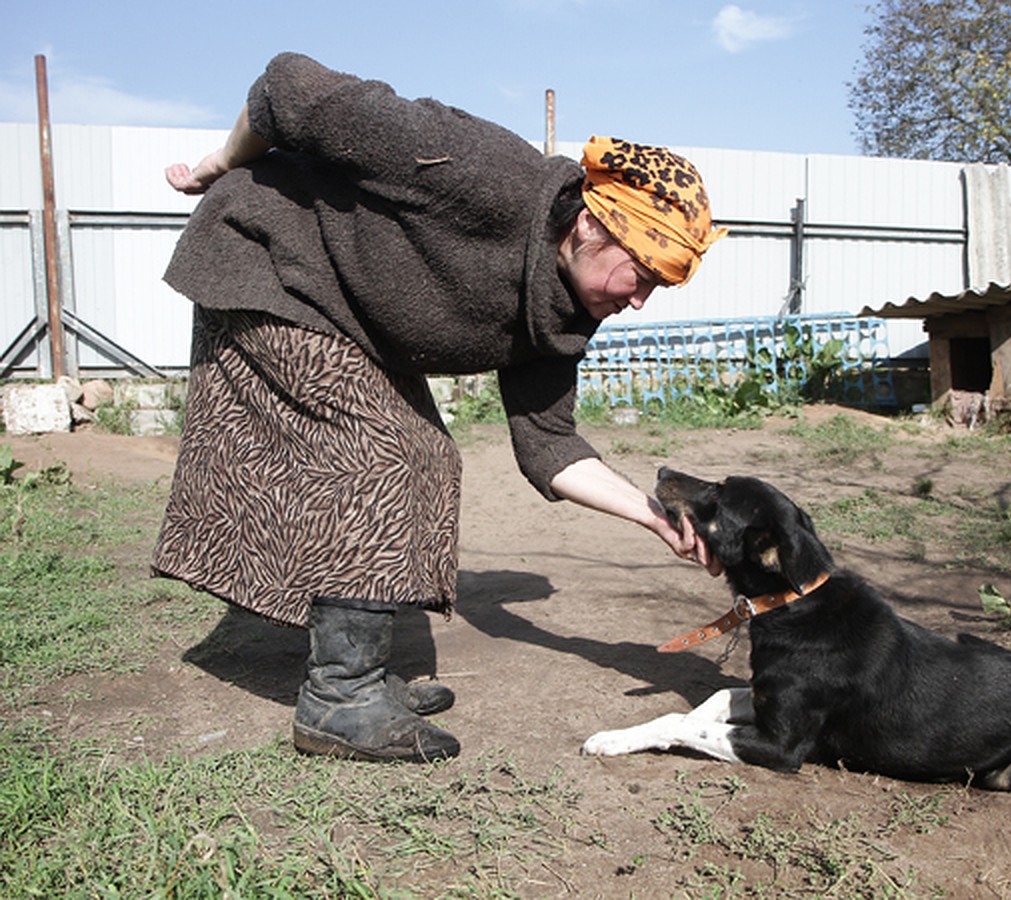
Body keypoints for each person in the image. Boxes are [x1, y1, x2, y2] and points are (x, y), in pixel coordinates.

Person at [154, 52, 727, 764]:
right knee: (382, 448)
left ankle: (356, 670)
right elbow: (288, 86)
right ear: (588, 224)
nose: (638, 300)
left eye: (659, 288)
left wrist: (652, 515)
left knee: (430, 454)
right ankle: (340, 697)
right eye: (641, 274)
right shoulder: (481, 172)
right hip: (268, 260)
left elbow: (548, 444)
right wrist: (219, 161)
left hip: (348, 314)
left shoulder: (564, 311)